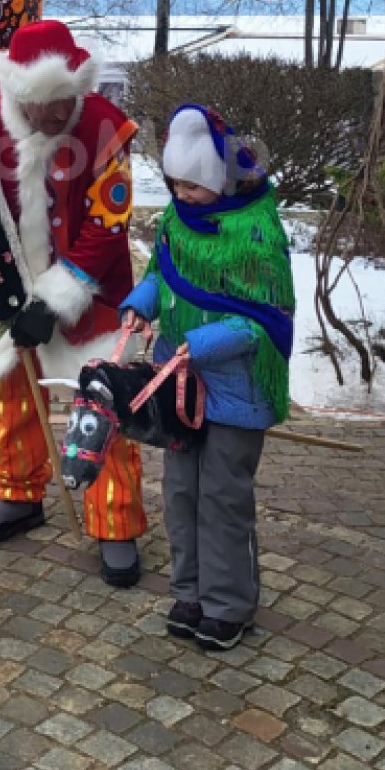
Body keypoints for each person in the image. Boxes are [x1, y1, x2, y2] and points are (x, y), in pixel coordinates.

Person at [0, 18, 146, 587]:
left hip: (90, 292)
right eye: (44, 103)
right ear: (16, 93)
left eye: (66, 100)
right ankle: (19, 494)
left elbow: (108, 224)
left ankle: (114, 521)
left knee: (100, 406)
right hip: (8, 282)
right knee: (9, 394)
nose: (57, 114)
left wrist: (56, 299)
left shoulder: (105, 129)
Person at [119, 104, 295, 650]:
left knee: (222, 495)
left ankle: (229, 605)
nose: (182, 194)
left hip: (236, 389)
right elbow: (162, 274)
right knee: (180, 491)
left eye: (192, 185)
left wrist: (204, 344)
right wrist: (141, 304)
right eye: (174, 184)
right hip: (181, 381)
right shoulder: (177, 218)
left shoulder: (257, 231)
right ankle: (189, 591)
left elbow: (264, 317)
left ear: (219, 178)